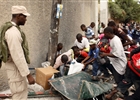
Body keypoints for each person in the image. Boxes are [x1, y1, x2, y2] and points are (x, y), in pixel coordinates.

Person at [0, 6, 35, 99]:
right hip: (16, 70)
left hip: (16, 70)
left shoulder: (13, 30)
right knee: (19, 96)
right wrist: (29, 75)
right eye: (25, 16)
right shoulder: (13, 33)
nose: (26, 19)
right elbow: (18, 56)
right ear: (19, 16)